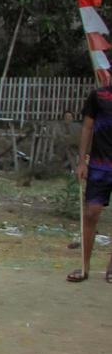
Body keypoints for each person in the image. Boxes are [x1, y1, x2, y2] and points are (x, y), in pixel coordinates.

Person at [71, 82, 112, 282]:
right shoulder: (99, 96)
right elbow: (87, 127)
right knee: (91, 212)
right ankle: (84, 266)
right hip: (99, 165)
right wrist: (82, 162)